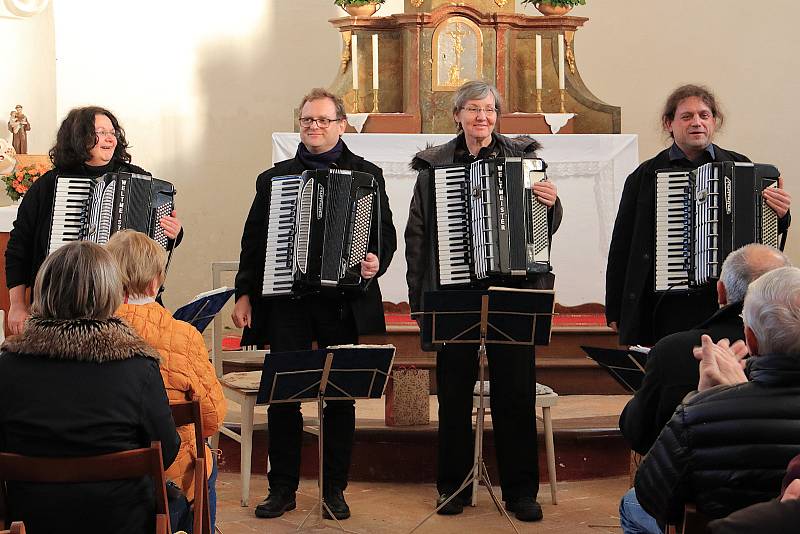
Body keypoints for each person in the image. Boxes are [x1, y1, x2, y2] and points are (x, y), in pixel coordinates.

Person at [232, 87, 397, 521]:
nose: (315, 127)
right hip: (287, 301)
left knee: (339, 398)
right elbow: (254, 242)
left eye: (323, 120)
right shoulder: (275, 180)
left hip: (341, 303)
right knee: (285, 396)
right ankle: (282, 488)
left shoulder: (367, 174)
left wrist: (374, 263)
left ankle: (333, 491)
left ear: (341, 125)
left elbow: (384, 235)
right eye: (307, 120)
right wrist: (244, 292)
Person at [405, 80, 563, 522]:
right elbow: (417, 239)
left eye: (489, 110)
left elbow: (540, 232)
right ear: (457, 115)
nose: (482, 118)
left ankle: (520, 491)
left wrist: (549, 205)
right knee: (454, 394)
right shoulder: (434, 168)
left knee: (516, 391)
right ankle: (452, 486)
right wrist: (422, 303)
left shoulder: (524, 161)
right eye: (473, 109)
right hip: (453, 290)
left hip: (513, 290)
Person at [0, 240, 180, 533]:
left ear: (44, 290)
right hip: (122, 522)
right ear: (111, 293)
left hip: (34, 521)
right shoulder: (138, 368)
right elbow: (167, 451)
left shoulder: (7, 367)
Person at [605, 84, 792, 346]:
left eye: (704, 116)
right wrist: (615, 307)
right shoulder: (644, 176)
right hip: (667, 303)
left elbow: (762, 232)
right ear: (669, 123)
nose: (697, 123)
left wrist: (781, 214)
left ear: (714, 122)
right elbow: (622, 245)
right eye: (687, 116)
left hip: (725, 301)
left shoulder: (742, 166)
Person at [631, 266, 800, 529]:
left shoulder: (696, 415)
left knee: (630, 506)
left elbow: (650, 497)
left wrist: (706, 401)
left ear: (750, 339)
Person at [5, 106, 184, 335]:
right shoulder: (47, 186)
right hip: (65, 299)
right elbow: (18, 249)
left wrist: (173, 232)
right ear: (79, 137)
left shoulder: (140, 179)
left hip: (125, 303)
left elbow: (155, 244)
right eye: (100, 132)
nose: (110, 138)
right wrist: (17, 305)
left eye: (113, 133)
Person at [619, 243, 791, 456]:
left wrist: (698, 402)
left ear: (720, 292)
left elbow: (639, 436)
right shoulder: (788, 351)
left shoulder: (672, 352)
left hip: (690, 482)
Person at [106, 230, 226, 532]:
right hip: (169, 471)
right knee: (203, 459)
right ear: (154, 282)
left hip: (105, 465)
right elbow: (211, 419)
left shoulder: (90, 331)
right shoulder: (183, 335)